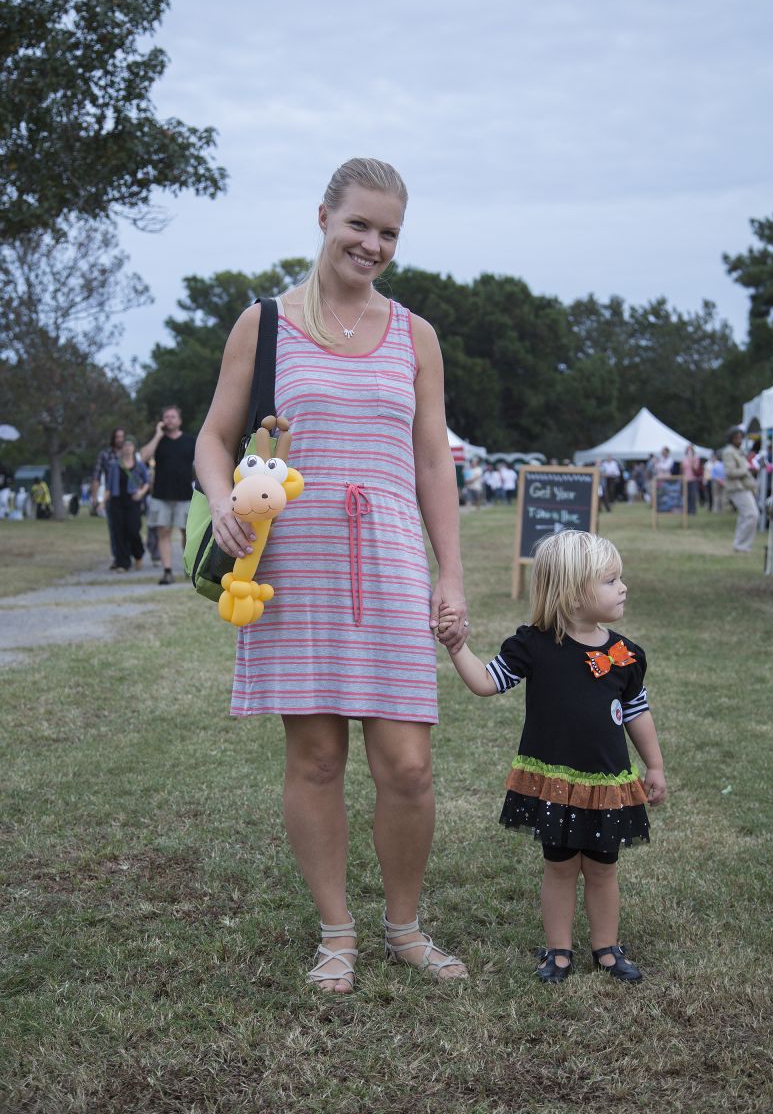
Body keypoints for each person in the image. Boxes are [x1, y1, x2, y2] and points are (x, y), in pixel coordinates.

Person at [194, 157, 469, 993]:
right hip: (293, 564)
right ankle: (337, 933)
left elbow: (431, 462)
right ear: (323, 218)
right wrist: (220, 498)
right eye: (360, 224)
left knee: (408, 767)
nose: (373, 244)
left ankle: (405, 928)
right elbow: (213, 437)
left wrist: (449, 572)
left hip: (387, 563)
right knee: (315, 759)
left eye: (389, 232)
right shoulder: (264, 324)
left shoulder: (415, 334)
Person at [438, 530, 666, 984]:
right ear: (573, 591)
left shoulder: (625, 655)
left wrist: (654, 764)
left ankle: (607, 948)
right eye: (610, 580)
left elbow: (636, 711)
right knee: (560, 867)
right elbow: (487, 683)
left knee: (603, 867)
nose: (623, 587)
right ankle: (558, 951)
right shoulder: (535, 646)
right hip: (554, 784)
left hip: (606, 785)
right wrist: (457, 648)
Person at [140, 406, 196, 585]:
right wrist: (157, 435)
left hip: (185, 495)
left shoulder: (190, 441)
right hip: (161, 496)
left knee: (187, 533)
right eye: (166, 417)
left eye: (173, 417)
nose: (169, 420)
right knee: (163, 533)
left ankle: (189, 569)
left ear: (179, 420)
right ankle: (167, 571)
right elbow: (142, 458)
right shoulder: (159, 441)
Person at [106, 437, 150, 571]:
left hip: (133, 501)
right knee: (119, 532)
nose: (127, 448)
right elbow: (109, 486)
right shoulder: (114, 465)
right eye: (125, 445)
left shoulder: (139, 465)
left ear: (134, 448)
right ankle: (123, 563)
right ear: (121, 448)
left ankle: (138, 554)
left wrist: (141, 493)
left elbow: (147, 482)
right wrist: (102, 502)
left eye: (130, 445)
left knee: (133, 530)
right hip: (117, 501)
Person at [722, 427, 759, 553]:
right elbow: (730, 472)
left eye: (741, 437)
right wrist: (748, 469)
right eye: (737, 437)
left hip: (745, 487)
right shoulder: (728, 452)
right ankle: (742, 545)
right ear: (731, 438)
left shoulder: (739, 452)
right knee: (752, 515)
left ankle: (740, 545)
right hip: (737, 488)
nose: (740, 440)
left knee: (745, 516)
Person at [92, 428, 126, 560]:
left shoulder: (129, 453)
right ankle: (118, 558)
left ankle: (127, 555)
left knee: (129, 528)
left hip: (128, 497)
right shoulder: (105, 454)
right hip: (111, 495)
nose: (120, 440)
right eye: (117, 437)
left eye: (122, 437)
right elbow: (96, 475)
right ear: (113, 438)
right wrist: (94, 498)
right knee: (114, 529)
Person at [681, 444, 698, 515]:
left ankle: (693, 510)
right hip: (685, 479)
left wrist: (691, 460)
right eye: (688, 449)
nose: (689, 450)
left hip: (693, 479)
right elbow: (682, 469)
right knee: (686, 496)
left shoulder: (696, 458)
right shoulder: (684, 458)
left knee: (692, 495)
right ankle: (687, 510)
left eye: (691, 449)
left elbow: (695, 468)